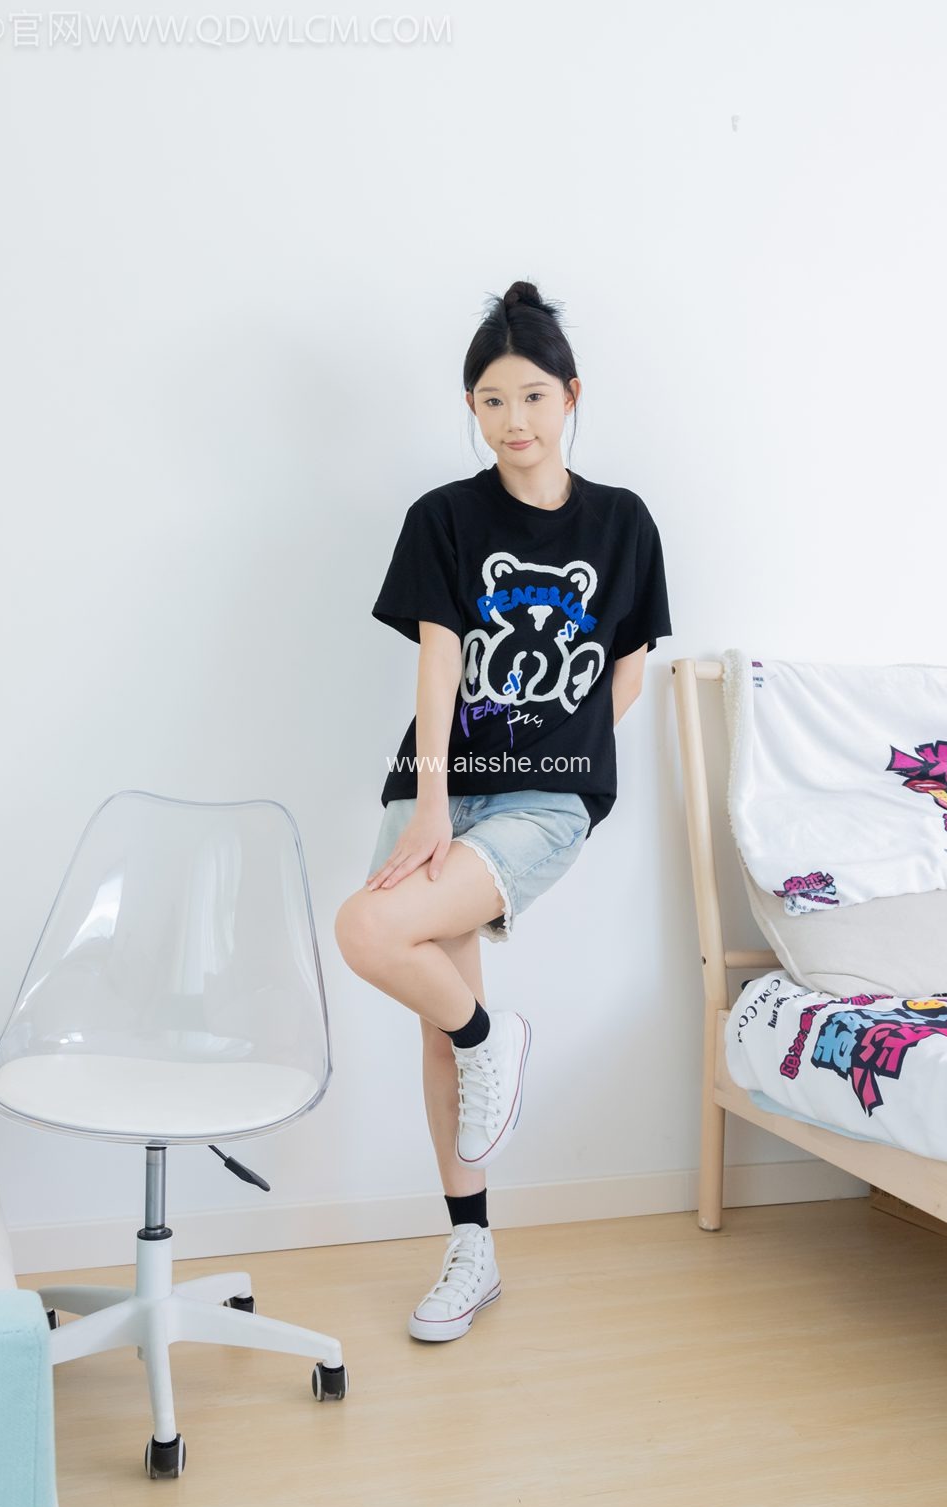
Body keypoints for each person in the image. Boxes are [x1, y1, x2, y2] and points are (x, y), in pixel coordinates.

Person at [334, 279, 672, 1343]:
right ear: (470, 407)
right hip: (440, 784)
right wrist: (433, 801)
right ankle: (471, 1246)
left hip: (547, 794)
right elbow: (439, 662)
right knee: (441, 1017)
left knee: (370, 931)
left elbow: (626, 668)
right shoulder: (443, 516)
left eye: (532, 395)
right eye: (491, 400)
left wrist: (566, 753)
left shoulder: (622, 522)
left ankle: (495, 1042)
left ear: (571, 394)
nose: (513, 420)